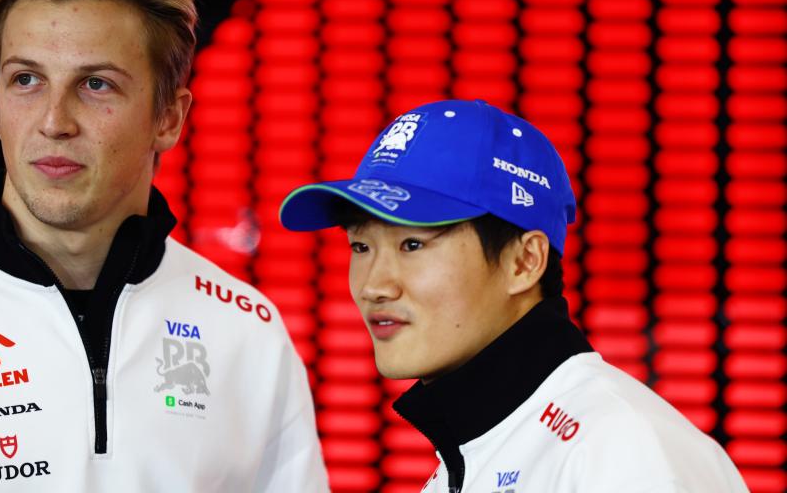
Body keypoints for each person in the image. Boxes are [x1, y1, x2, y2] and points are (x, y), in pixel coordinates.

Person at [0, 0, 328, 492]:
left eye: (96, 84)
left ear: (169, 118)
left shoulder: (249, 332)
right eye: (26, 80)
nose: (55, 121)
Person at [279, 99, 748, 492]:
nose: (373, 285)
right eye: (360, 246)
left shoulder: (621, 449)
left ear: (525, 262)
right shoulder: (469, 457)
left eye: (413, 245)